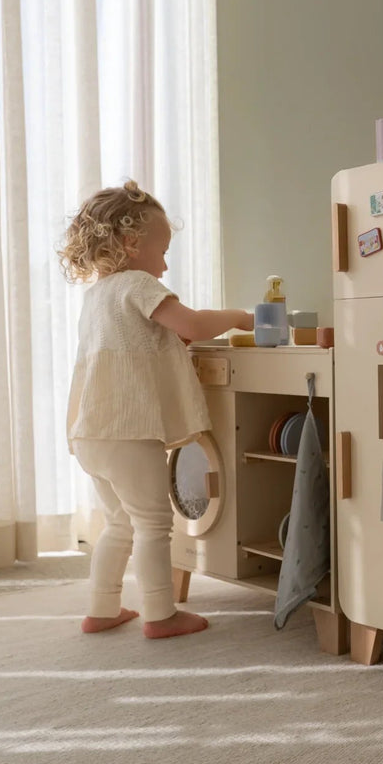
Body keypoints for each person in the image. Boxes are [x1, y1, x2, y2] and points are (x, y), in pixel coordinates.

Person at [59, 180, 254, 638]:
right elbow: (192, 323)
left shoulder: (97, 295)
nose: (165, 264)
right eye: (163, 251)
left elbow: (140, 344)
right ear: (131, 243)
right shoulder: (139, 284)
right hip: (127, 432)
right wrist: (238, 316)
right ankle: (160, 615)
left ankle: (102, 609)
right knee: (153, 524)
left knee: (119, 522)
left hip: (91, 433)